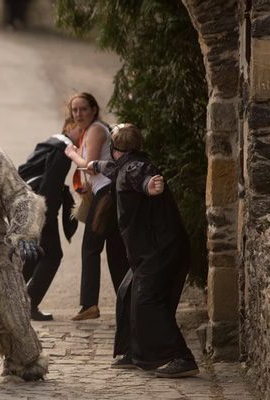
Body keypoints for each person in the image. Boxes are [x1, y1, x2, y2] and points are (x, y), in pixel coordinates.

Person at [88, 123, 199, 378]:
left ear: (115, 149)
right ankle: (134, 352)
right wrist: (94, 165)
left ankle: (181, 357)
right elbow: (113, 169)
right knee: (128, 294)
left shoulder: (136, 168)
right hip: (152, 249)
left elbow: (142, 177)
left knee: (147, 302)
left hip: (160, 248)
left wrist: (151, 185)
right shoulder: (125, 164)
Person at [63, 92, 128, 321]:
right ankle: (126, 302)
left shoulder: (96, 130)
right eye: (75, 110)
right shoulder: (89, 131)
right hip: (107, 193)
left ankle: (90, 304)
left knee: (91, 247)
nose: (78, 114)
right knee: (115, 250)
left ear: (93, 109)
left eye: (83, 109)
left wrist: (71, 153)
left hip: (107, 194)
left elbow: (90, 166)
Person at [18, 117, 79, 321]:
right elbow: (50, 184)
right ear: (69, 128)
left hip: (28, 199)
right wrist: (47, 215)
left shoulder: (51, 142)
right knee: (52, 254)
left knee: (35, 253)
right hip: (41, 204)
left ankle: (10, 298)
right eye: (79, 129)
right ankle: (29, 303)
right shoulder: (63, 148)